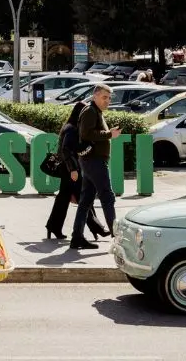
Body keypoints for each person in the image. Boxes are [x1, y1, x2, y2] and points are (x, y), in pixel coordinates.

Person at [45, 101, 109, 240]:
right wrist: (73, 169)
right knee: (84, 197)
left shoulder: (70, 126)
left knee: (64, 198)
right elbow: (66, 150)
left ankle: (53, 226)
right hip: (71, 169)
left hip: (68, 168)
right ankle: (97, 228)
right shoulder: (72, 129)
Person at [70, 84, 120, 250]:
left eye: (109, 98)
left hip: (91, 161)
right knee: (107, 197)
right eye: (104, 97)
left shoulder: (95, 111)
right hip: (94, 162)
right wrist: (109, 134)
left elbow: (92, 133)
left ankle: (77, 237)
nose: (108, 101)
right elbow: (86, 134)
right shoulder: (91, 111)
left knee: (86, 201)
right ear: (95, 96)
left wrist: (109, 133)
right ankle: (117, 237)